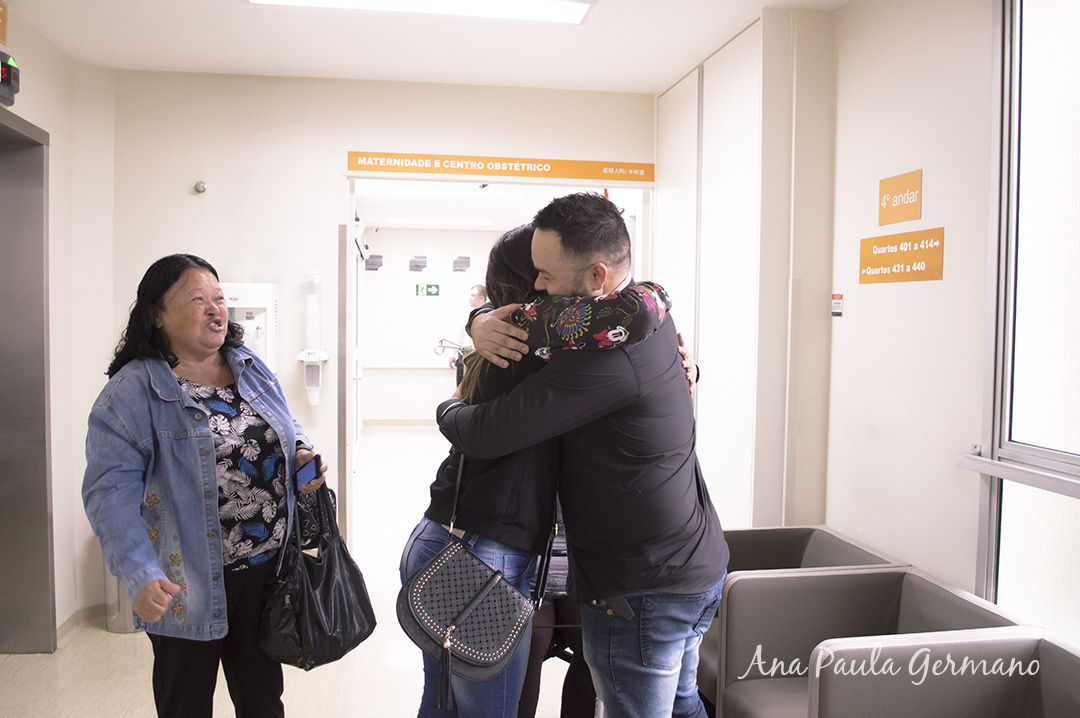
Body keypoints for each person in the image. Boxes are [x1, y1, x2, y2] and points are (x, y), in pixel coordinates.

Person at [438, 193, 729, 718]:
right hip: (691, 563)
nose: (539, 289)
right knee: (683, 704)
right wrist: (479, 318)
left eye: (546, 275)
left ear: (596, 277)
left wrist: (445, 409)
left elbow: (487, 430)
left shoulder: (600, 355)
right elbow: (524, 314)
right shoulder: (643, 309)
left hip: (642, 586)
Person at [401, 225, 671, 718]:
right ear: (535, 286)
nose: (554, 280)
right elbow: (637, 309)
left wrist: (477, 319)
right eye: (544, 271)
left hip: (445, 536)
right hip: (483, 556)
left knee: (441, 702)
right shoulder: (537, 348)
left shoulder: (507, 341)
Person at [82, 254, 327, 718]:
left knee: (262, 700)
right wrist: (139, 571)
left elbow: (285, 421)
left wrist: (299, 453)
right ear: (157, 314)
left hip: (265, 571)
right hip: (184, 581)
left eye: (220, 298)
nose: (216, 309)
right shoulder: (132, 392)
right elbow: (108, 493)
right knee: (186, 703)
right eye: (198, 299)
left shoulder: (248, 365)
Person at [449, 284, 488, 383]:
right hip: (464, 357)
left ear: (481, 298)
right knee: (461, 388)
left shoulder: (489, 316)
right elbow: (459, 337)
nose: (469, 298)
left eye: (473, 295)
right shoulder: (465, 316)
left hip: (481, 358)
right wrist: (452, 354)